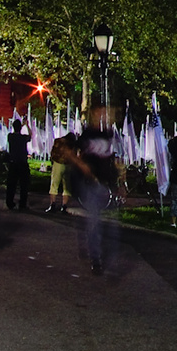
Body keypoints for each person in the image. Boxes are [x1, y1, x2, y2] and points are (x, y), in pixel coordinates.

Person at [70, 110, 117, 274]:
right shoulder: (87, 134)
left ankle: (99, 249)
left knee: (112, 224)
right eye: (100, 113)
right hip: (89, 183)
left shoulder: (108, 135)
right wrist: (83, 167)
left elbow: (112, 159)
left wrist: (118, 181)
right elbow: (74, 154)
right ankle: (95, 258)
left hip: (104, 183)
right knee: (94, 220)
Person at [46, 132, 76, 212]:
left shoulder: (58, 141)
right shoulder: (73, 144)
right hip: (68, 165)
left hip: (58, 163)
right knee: (67, 187)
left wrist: (52, 160)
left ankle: (52, 204)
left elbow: (53, 152)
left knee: (54, 185)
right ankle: (64, 206)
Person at [5, 118, 31, 210]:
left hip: (13, 163)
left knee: (11, 184)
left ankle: (10, 202)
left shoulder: (10, 136)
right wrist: (26, 125)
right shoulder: (23, 138)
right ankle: (22, 204)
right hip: (23, 163)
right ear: (20, 128)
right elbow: (30, 135)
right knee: (24, 185)